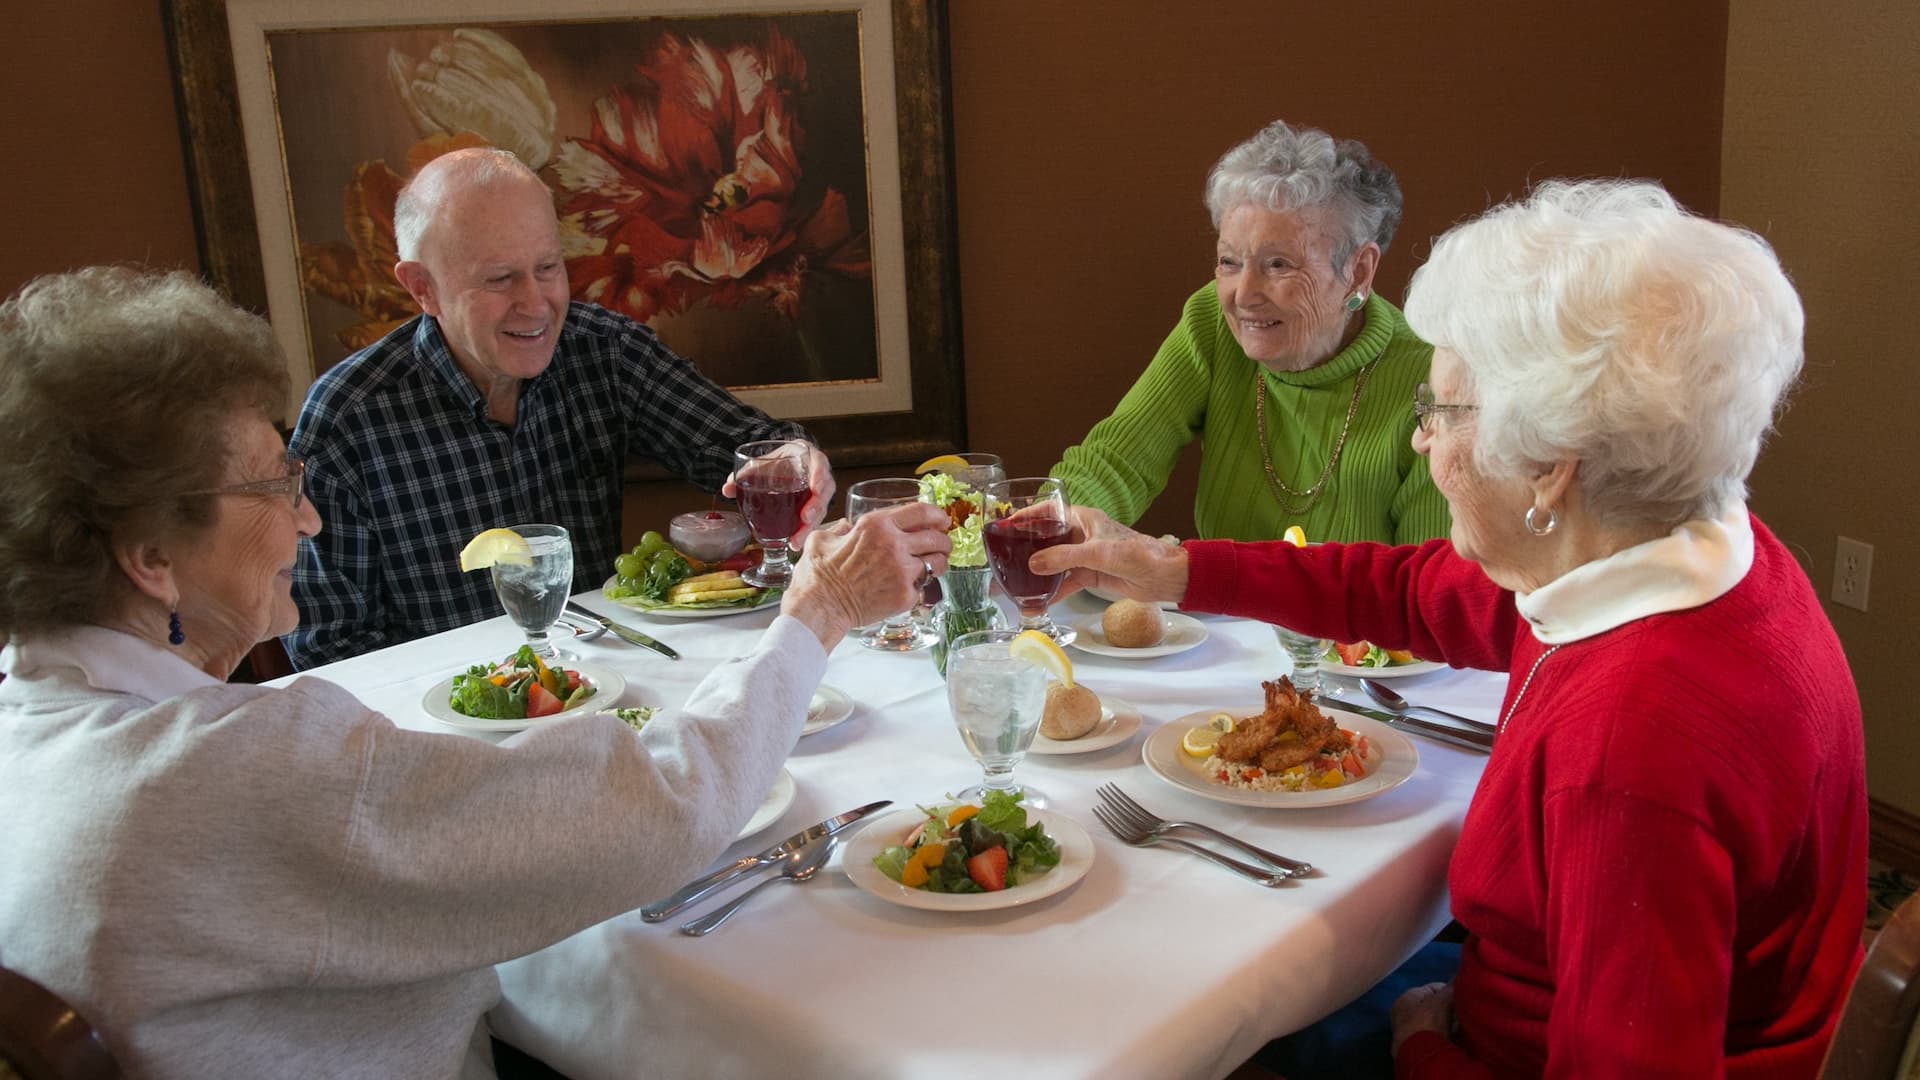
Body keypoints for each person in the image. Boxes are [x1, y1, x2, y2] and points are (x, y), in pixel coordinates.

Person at [0, 266, 951, 1078]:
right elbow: (662, 806)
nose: (308, 520)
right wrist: (816, 612)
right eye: (272, 484)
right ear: (149, 555)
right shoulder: (221, 775)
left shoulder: (31, 720)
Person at [1030, 180, 1865, 1076]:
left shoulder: (1630, 754)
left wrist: (1424, 1045)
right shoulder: (1682, 550)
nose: (1422, 440)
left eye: (1442, 411)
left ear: (1550, 468)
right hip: (1523, 996)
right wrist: (1180, 570)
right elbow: (1412, 591)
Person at [284, 146, 834, 668]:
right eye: (500, 279)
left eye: (548, 268)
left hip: (608, 692)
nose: (536, 303)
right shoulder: (347, 418)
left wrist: (792, 457)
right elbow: (331, 645)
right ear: (422, 289)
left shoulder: (604, 351)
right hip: (447, 722)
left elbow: (743, 447)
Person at [1050, 119, 1448, 544]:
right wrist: (1053, 525)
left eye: (1278, 265)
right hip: (1222, 611)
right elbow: (1117, 462)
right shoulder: (1212, 323)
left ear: (1358, 271)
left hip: (1362, 613)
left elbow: (1429, 582)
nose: (1243, 295)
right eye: (1229, 262)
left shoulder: (1433, 381)